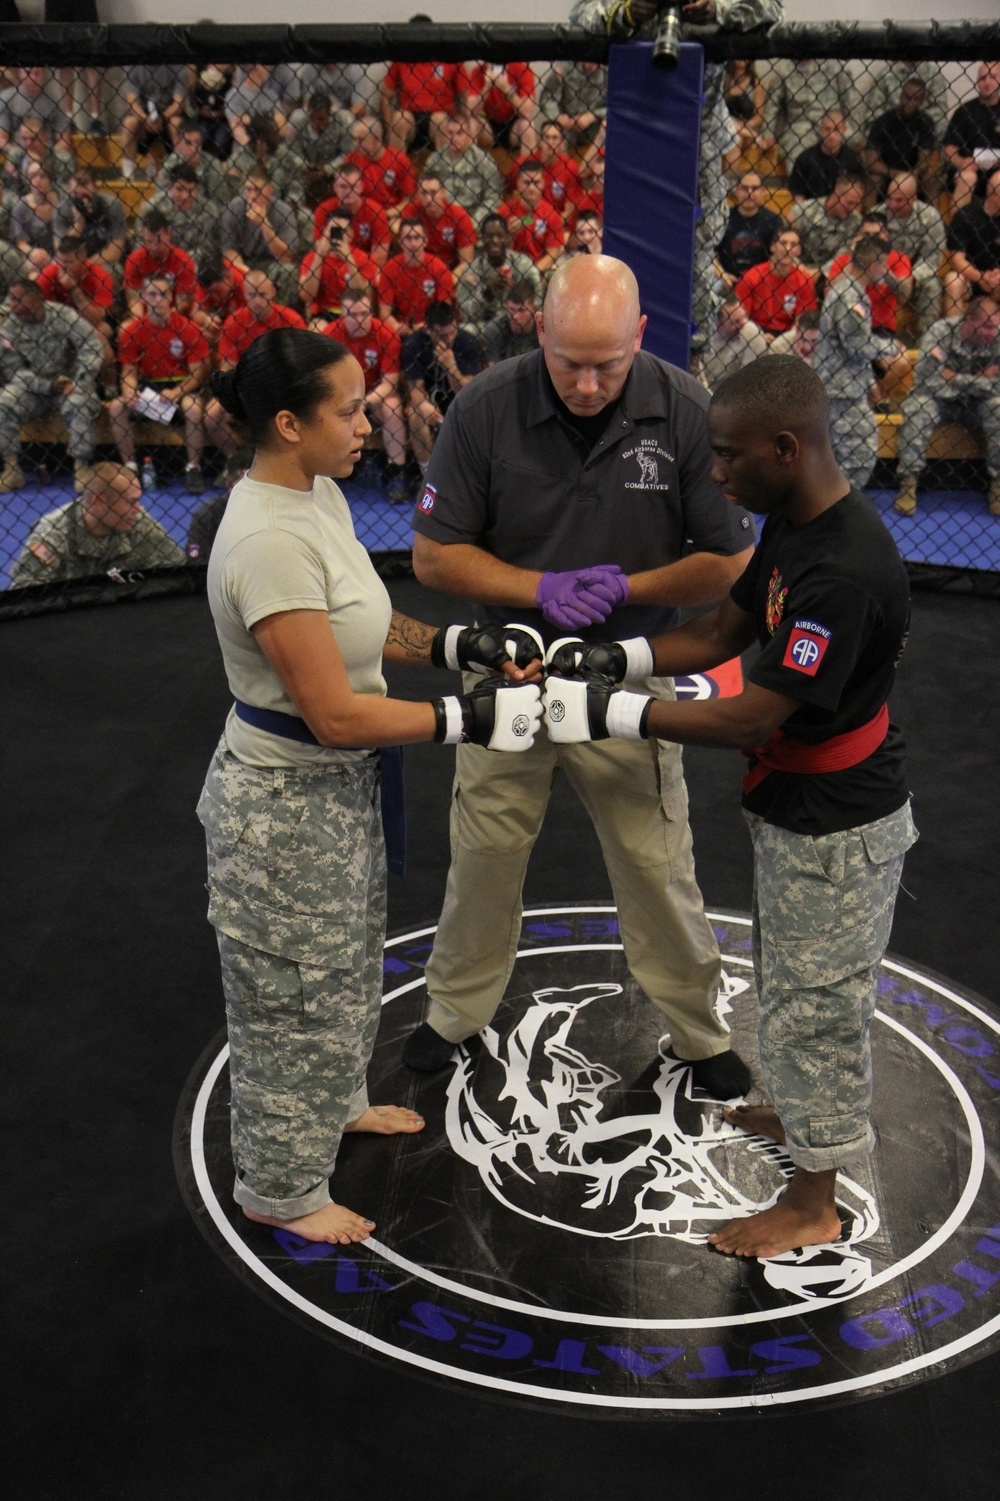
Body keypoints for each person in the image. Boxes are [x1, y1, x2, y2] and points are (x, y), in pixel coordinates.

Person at [542, 353, 916, 1260]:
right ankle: (797, 1114)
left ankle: (813, 1203)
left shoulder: (846, 570)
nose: (713, 473)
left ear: (785, 448)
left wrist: (614, 712)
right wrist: (617, 660)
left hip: (839, 822)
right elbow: (721, 630)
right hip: (799, 805)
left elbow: (753, 709)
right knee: (788, 980)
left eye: (727, 455)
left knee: (818, 1004)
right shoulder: (792, 521)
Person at [197, 326, 543, 1245]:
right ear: (286, 421)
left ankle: (337, 1106)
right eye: (347, 410)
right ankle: (277, 1186)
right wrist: (468, 716)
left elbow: (366, 621)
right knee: (290, 1002)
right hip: (282, 809)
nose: (367, 423)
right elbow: (335, 713)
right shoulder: (265, 541)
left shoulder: (315, 495)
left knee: (347, 969)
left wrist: (461, 646)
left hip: (336, 794)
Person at [405, 254, 755, 1097]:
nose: (590, 383)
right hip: (509, 671)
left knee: (655, 857)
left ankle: (700, 1029)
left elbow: (730, 557)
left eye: (608, 362)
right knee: (484, 850)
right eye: (570, 361)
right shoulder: (486, 406)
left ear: (640, 335)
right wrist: (539, 589)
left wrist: (629, 589)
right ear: (539, 332)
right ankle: (454, 1011)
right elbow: (432, 554)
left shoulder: (684, 409)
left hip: (629, 677)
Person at [894, 295, 1000, 518]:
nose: (993, 333)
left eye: (995, 327)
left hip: (976, 405)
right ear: (969, 321)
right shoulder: (940, 332)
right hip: (938, 400)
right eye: (987, 327)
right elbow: (927, 380)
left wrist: (955, 378)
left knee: (998, 407)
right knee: (918, 409)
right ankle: (908, 482)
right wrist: (979, 380)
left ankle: (998, 484)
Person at [109, 273, 211, 495]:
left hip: (181, 385)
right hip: (148, 388)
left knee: (193, 408)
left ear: (171, 297)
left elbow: (197, 375)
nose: (158, 299)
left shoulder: (188, 328)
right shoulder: (132, 331)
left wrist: (177, 391)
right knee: (117, 407)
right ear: (144, 297)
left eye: (163, 294)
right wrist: (129, 390)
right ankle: (130, 468)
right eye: (152, 294)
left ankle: (193, 468)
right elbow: (128, 372)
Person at [815, 235, 902, 491]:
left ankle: (828, 509)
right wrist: (890, 347)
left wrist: (868, 383)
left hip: (843, 386)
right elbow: (857, 345)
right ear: (873, 262)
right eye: (884, 264)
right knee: (859, 456)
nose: (885, 270)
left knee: (837, 457)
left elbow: (852, 350)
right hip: (840, 391)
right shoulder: (849, 297)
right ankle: (838, 510)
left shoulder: (848, 291)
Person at [0, 276, 101, 495]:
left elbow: (91, 345)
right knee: (3, 402)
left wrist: (80, 380)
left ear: (37, 298)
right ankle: (12, 469)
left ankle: (81, 468)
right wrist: (45, 385)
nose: (13, 307)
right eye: (11, 300)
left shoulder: (63, 316)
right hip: (34, 388)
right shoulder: (9, 328)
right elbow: (14, 370)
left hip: (70, 384)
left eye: (19, 300)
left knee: (79, 403)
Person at [11, 460, 185, 586]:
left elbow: (179, 572)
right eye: (131, 502)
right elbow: (25, 599)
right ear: (99, 502)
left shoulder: (138, 521)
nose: (138, 509)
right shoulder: (52, 535)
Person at [325, 283, 409, 501]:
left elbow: (389, 382)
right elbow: (326, 380)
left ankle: (396, 473)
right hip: (342, 395)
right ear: (343, 315)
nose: (360, 319)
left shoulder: (386, 333)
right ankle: (332, 469)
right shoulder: (331, 334)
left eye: (364, 313)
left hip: (376, 396)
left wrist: (362, 403)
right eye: (353, 314)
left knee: (392, 408)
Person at [402, 299, 480, 471]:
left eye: (453, 332)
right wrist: (424, 405)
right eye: (444, 335)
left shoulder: (466, 342)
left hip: (460, 403)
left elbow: (470, 391)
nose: (450, 338)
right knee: (414, 413)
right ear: (428, 330)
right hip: (430, 403)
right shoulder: (414, 344)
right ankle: (428, 472)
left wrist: (451, 368)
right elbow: (415, 388)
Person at [220, 168, 300, 312]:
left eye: (257, 191)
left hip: (272, 264)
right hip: (244, 264)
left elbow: (286, 257)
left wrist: (264, 224)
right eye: (248, 190)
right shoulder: (235, 208)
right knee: (226, 268)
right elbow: (229, 250)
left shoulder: (283, 212)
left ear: (269, 190)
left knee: (288, 271)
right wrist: (247, 273)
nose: (252, 196)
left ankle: (282, 314)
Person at [455, 212, 541, 335]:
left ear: (507, 237)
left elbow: (539, 300)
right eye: (489, 236)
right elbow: (465, 313)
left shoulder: (523, 264)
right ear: (482, 238)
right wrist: (486, 292)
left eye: (500, 235)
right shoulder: (471, 270)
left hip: (520, 322)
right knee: (466, 330)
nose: (494, 240)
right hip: (485, 324)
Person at [882, 172, 946, 334]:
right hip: (884, 274)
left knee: (932, 286)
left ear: (913, 199)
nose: (892, 204)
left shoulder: (929, 217)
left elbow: (932, 258)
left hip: (916, 276)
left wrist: (910, 277)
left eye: (899, 200)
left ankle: (925, 338)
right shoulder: (878, 214)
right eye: (890, 198)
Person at [733, 228, 817, 340]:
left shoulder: (804, 281)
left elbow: (803, 321)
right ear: (773, 247)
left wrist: (786, 339)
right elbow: (741, 318)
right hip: (755, 332)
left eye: (793, 244)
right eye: (783, 243)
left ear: (799, 250)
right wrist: (759, 336)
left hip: (788, 335)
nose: (787, 248)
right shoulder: (751, 277)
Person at [378, 219, 454, 339]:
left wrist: (427, 326)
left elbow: (444, 312)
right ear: (401, 242)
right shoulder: (389, 269)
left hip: (433, 330)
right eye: (408, 238)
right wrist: (396, 326)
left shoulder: (440, 269)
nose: (413, 244)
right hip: (400, 330)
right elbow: (384, 313)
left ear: (425, 241)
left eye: (417, 238)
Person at [299, 211, 380, 322]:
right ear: (324, 232)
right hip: (324, 313)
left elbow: (365, 296)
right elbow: (306, 296)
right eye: (332, 231)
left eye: (342, 231)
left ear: (351, 234)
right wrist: (319, 257)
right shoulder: (311, 258)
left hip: (355, 312)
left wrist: (348, 259)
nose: (337, 235)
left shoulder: (366, 258)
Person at [863, 78, 937, 199]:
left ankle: (935, 217)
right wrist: (896, 174)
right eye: (907, 97)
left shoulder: (926, 123)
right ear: (901, 95)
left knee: (931, 180)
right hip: (886, 173)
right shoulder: (882, 122)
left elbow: (924, 159)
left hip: (913, 174)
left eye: (916, 99)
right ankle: (870, 216)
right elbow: (871, 162)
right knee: (873, 180)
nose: (910, 103)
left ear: (922, 101)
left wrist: (914, 173)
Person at [943, 61, 1000, 215]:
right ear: (977, 82)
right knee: (967, 178)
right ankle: (957, 231)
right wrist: (961, 162)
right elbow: (949, 148)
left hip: (998, 171)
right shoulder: (964, 111)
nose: (987, 82)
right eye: (983, 78)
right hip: (969, 169)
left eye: (993, 77)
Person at [944, 165, 1000, 315]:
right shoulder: (966, 215)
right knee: (953, 280)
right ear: (993, 196)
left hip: (998, 277)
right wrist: (981, 277)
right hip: (971, 276)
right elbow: (956, 259)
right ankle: (953, 334)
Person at [423, 115, 504, 218]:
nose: (454, 138)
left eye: (459, 133)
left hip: (474, 216)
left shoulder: (483, 161)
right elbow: (424, 192)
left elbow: (493, 198)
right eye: (450, 133)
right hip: (443, 218)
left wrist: (475, 222)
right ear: (444, 134)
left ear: (468, 135)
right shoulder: (434, 161)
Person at [185, 445, 253, 564]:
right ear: (229, 484)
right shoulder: (207, 514)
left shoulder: (278, 513)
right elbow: (195, 563)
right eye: (242, 485)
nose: (249, 494)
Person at [716, 171, 784, 287]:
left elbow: (776, 257)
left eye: (755, 188)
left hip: (761, 281)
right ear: (736, 191)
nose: (749, 193)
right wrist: (723, 276)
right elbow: (712, 255)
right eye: (744, 188)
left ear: (763, 191)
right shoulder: (724, 217)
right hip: (726, 278)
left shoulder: (774, 221)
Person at [124, 209, 197, 315]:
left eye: (158, 242)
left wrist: (162, 318)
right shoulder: (134, 260)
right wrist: (143, 322)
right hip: (145, 316)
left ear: (168, 235)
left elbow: (183, 303)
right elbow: (133, 300)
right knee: (125, 328)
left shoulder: (183, 261)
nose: (153, 247)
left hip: (175, 316)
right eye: (149, 241)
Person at [499, 160, 567, 275]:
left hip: (539, 270)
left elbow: (553, 253)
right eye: (527, 183)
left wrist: (532, 273)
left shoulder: (552, 215)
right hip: (510, 269)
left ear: (543, 183)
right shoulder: (504, 211)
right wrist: (509, 235)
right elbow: (498, 252)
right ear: (518, 184)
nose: (531, 188)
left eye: (536, 183)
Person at [788, 175, 865, 275]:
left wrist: (817, 275)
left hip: (830, 277)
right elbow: (786, 247)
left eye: (856, 204)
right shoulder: (803, 211)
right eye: (850, 203)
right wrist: (803, 272)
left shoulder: (856, 222)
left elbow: (842, 258)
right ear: (836, 194)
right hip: (795, 271)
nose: (852, 208)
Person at [788, 111, 866, 203]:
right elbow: (798, 195)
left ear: (844, 130)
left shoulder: (853, 159)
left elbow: (858, 192)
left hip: (843, 208)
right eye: (827, 129)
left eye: (836, 129)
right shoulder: (805, 158)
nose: (831, 135)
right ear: (820, 130)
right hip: (811, 210)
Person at [700, 294, 769, 390]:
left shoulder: (752, 334)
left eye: (744, 317)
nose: (743, 324)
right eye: (736, 321)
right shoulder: (701, 336)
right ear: (719, 324)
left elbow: (751, 380)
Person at [412, 174, 476, 273]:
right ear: (418, 195)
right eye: (424, 193)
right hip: (420, 270)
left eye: (433, 192)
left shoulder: (459, 216)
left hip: (451, 271)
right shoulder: (413, 210)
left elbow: (466, 263)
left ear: (443, 192)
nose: (429, 199)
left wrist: (447, 283)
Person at [481, 283, 541, 366]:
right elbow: (493, 372)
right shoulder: (494, 330)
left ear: (534, 309)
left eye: (522, 310)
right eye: (511, 309)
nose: (515, 316)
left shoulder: (544, 329)